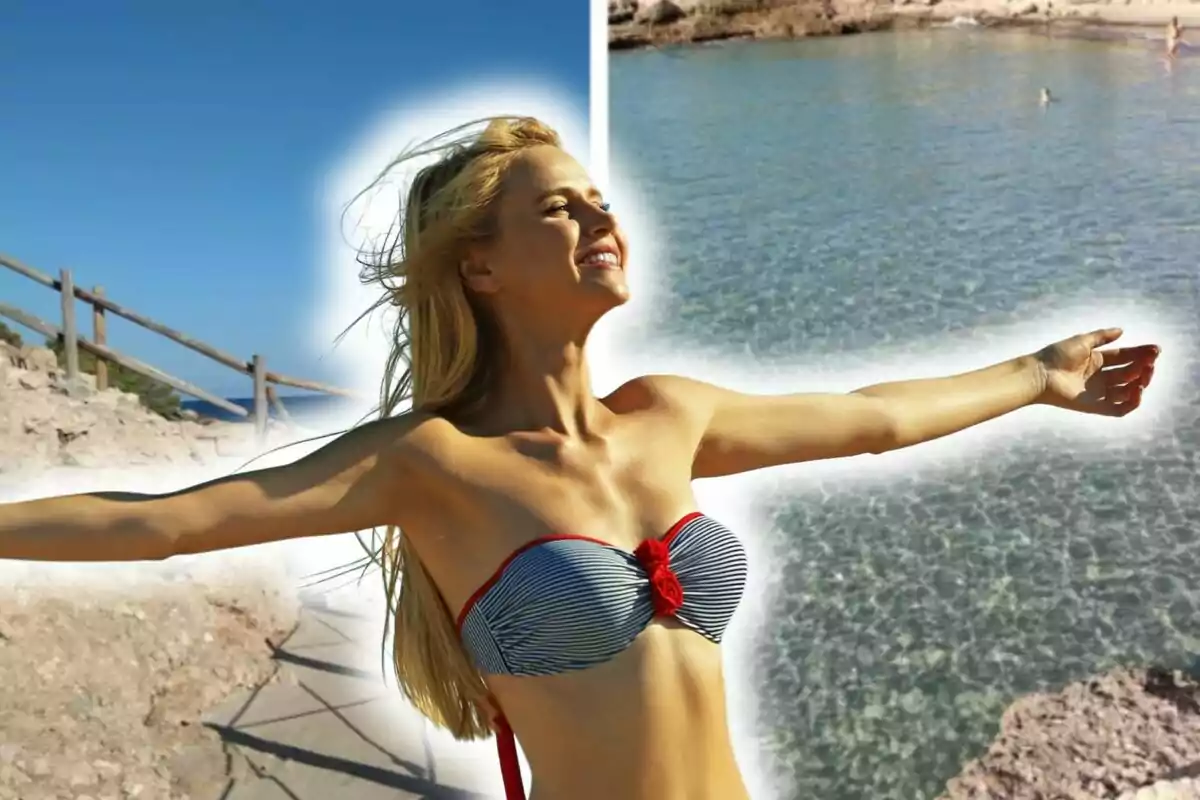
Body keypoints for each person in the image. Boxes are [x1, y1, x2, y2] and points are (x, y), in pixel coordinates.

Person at [0, 117, 1161, 800]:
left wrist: (1034, 377)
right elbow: (163, 520)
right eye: (561, 209)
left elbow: (870, 414)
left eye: (600, 199)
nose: (602, 219)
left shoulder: (669, 413)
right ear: (482, 268)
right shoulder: (433, 462)